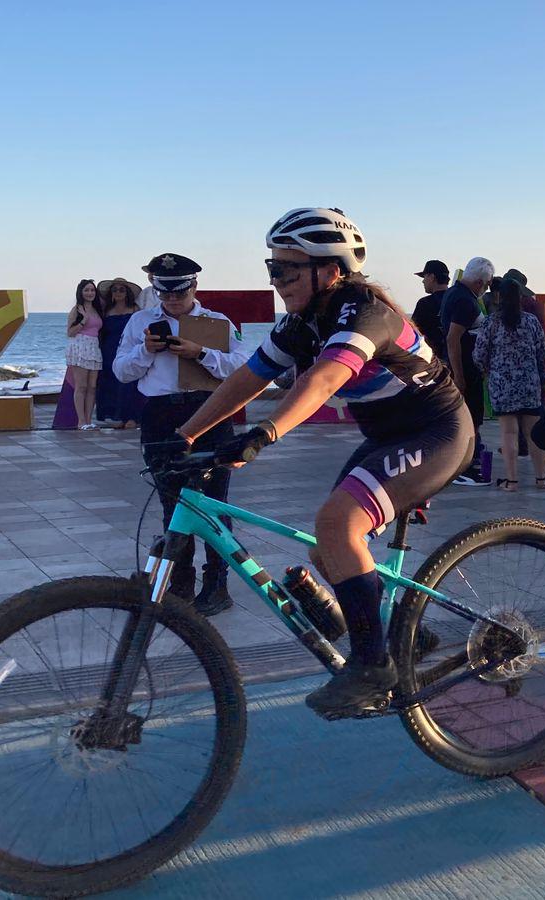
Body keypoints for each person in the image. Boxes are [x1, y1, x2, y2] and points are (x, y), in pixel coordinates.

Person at [175, 207, 471, 716]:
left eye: (286, 269)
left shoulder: (366, 313)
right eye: (272, 268)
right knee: (326, 549)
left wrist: (265, 433)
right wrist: (183, 436)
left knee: (338, 526)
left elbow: (325, 379)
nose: (276, 280)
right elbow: (249, 376)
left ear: (330, 270)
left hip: (437, 433)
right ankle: (402, 639)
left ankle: (373, 667)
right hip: (387, 437)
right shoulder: (303, 322)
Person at [112, 252, 250, 615]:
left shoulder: (216, 321)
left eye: (179, 292)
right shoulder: (140, 322)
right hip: (160, 414)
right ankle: (181, 584)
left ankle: (218, 585)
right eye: (164, 293)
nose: (172, 299)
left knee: (216, 504)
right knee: (173, 504)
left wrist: (200, 352)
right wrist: (146, 350)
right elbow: (121, 371)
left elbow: (242, 367)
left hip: (210, 410)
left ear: (194, 286)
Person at [473, 276, 545, 492]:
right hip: (529, 384)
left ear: (499, 297)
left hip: (502, 385)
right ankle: (541, 478)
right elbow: (543, 355)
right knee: (533, 433)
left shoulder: (490, 322)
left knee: (508, 434)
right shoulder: (531, 322)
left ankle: (512, 481)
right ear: (520, 297)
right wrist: (543, 379)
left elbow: (479, 355)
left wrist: (487, 371)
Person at [441, 257, 495, 486]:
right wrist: (459, 376)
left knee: (469, 419)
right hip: (465, 369)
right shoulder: (465, 301)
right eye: (488, 283)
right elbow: (453, 339)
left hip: (466, 367)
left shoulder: (455, 294)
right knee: (470, 419)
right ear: (480, 282)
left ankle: (465, 463)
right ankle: (466, 466)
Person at [96, 277, 145, 428]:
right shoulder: (106, 310)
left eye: (121, 289)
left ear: (127, 292)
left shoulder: (135, 309)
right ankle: (113, 417)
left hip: (129, 350)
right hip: (109, 350)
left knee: (130, 384)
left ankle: (132, 417)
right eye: (115, 290)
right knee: (109, 384)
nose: (118, 292)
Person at [65, 279, 105, 430]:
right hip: (80, 346)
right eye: (86, 290)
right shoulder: (77, 309)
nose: (90, 293)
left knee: (92, 387)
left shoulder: (97, 309)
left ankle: (88, 420)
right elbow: (69, 332)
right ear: (81, 292)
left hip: (94, 347)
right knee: (81, 386)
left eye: (92, 290)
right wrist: (84, 320)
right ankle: (81, 421)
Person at [411, 259, 450, 362]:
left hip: (433, 363)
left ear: (432, 277)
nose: (423, 281)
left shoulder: (425, 304)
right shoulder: (459, 300)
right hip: (458, 362)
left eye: (424, 277)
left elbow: (413, 334)